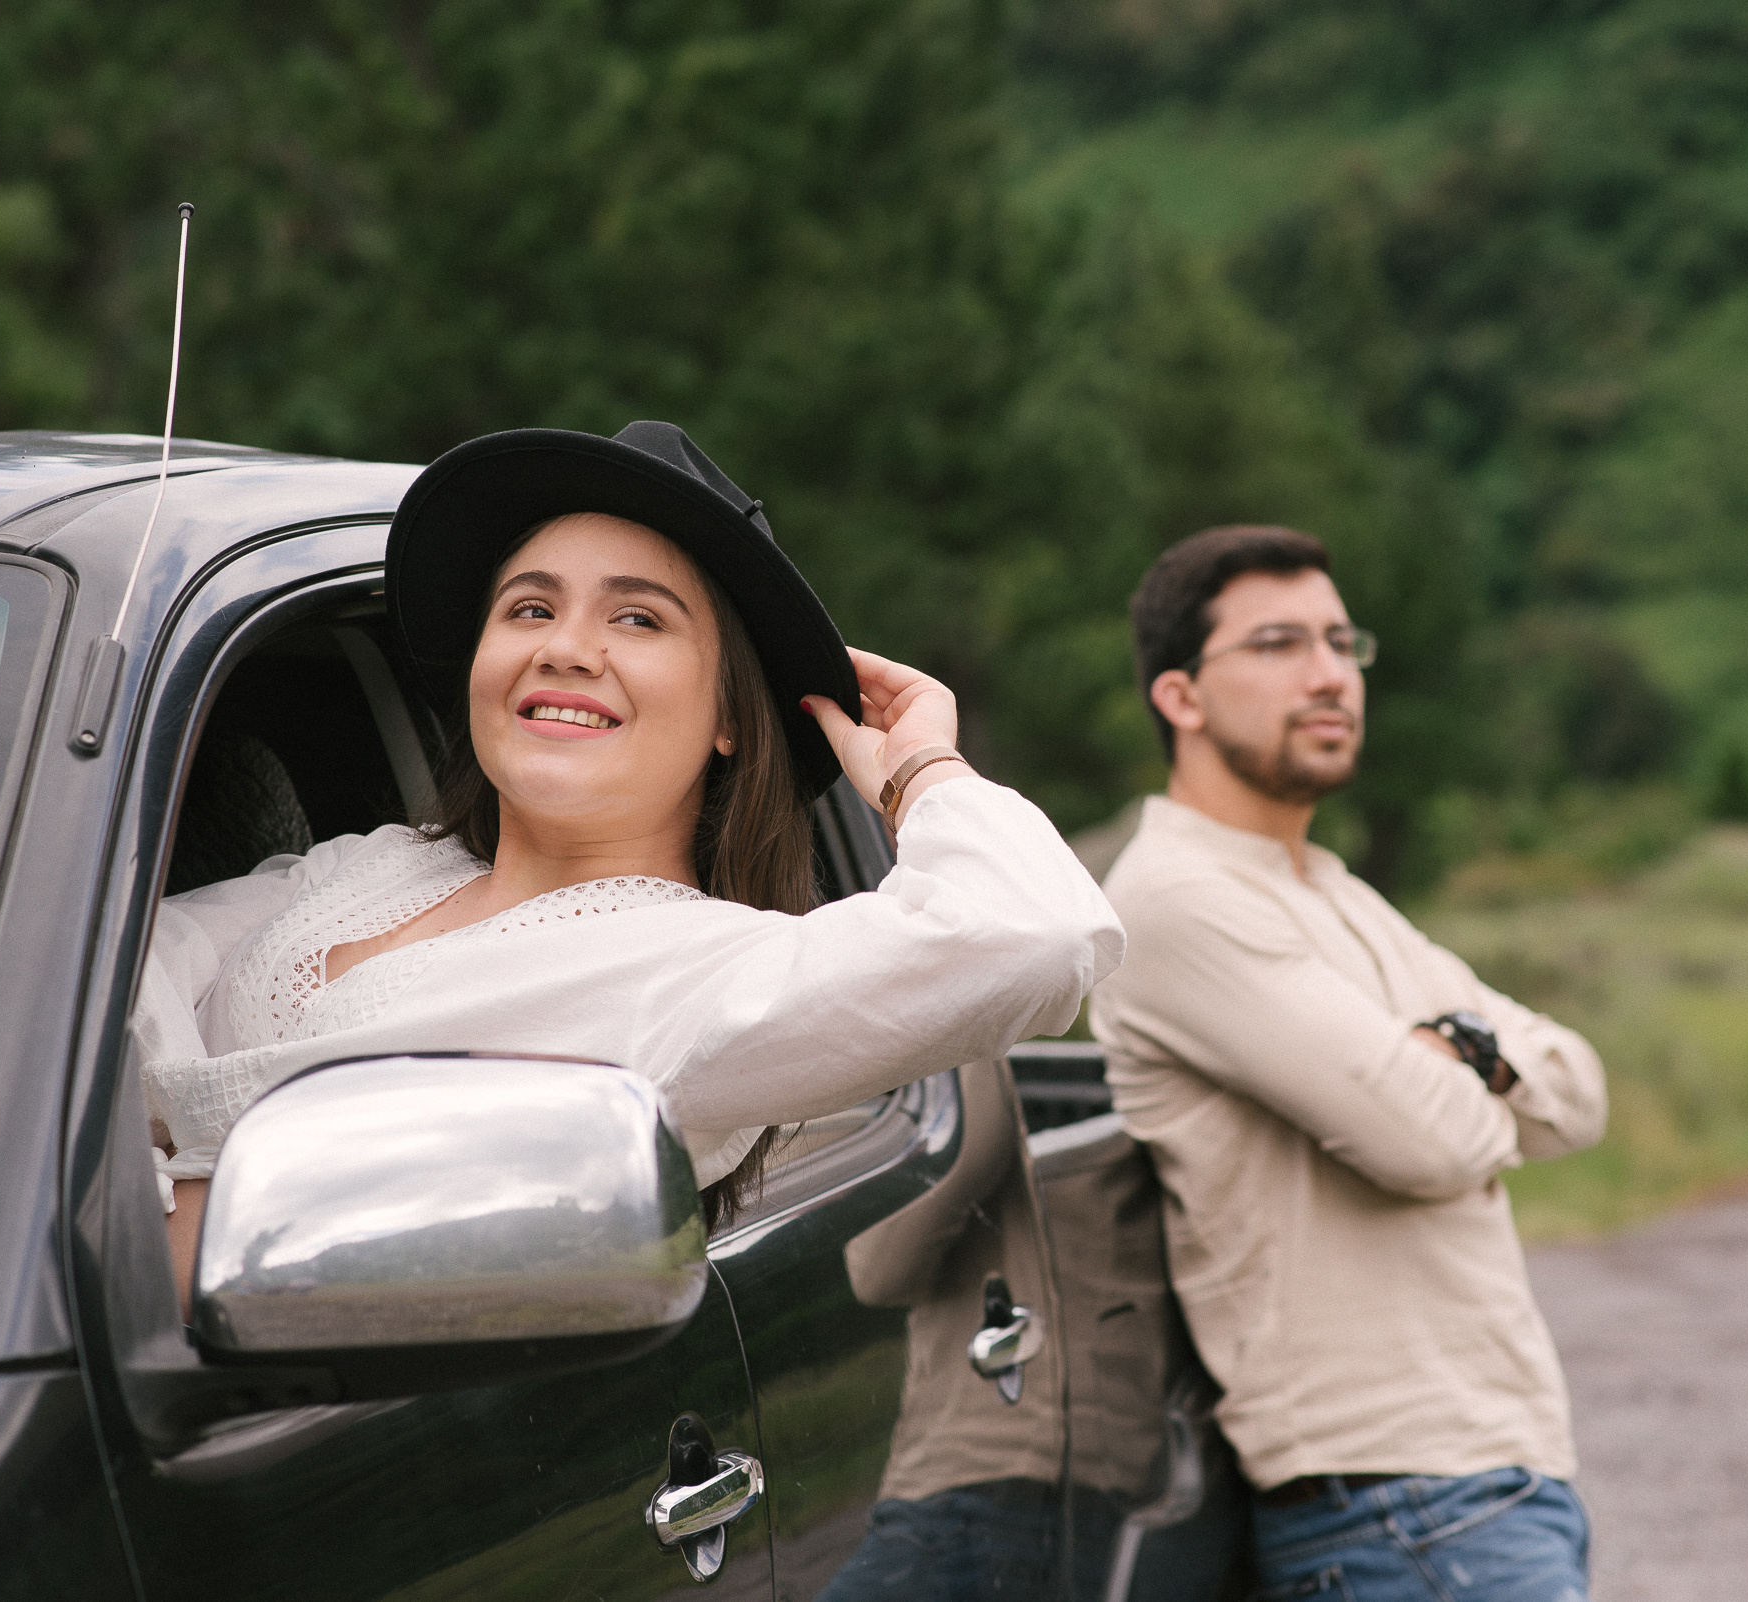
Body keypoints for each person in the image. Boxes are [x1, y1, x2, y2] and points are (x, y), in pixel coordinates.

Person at [132, 421, 1124, 1312]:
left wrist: (923, 771)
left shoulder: (702, 976)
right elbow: (102, 965)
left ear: (734, 716)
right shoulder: (373, 868)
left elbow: (1038, 934)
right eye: (527, 609)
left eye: (637, 619)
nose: (565, 648)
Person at [1090, 525, 1609, 1602]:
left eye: (1341, 641)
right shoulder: (1177, 901)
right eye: (1279, 643)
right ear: (1180, 696)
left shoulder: (1331, 888)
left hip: (1485, 1478)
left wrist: (1455, 1048)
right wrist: (1471, 1071)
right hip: (1395, 1498)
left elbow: (1582, 1095)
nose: (1331, 675)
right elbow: (1438, 1142)